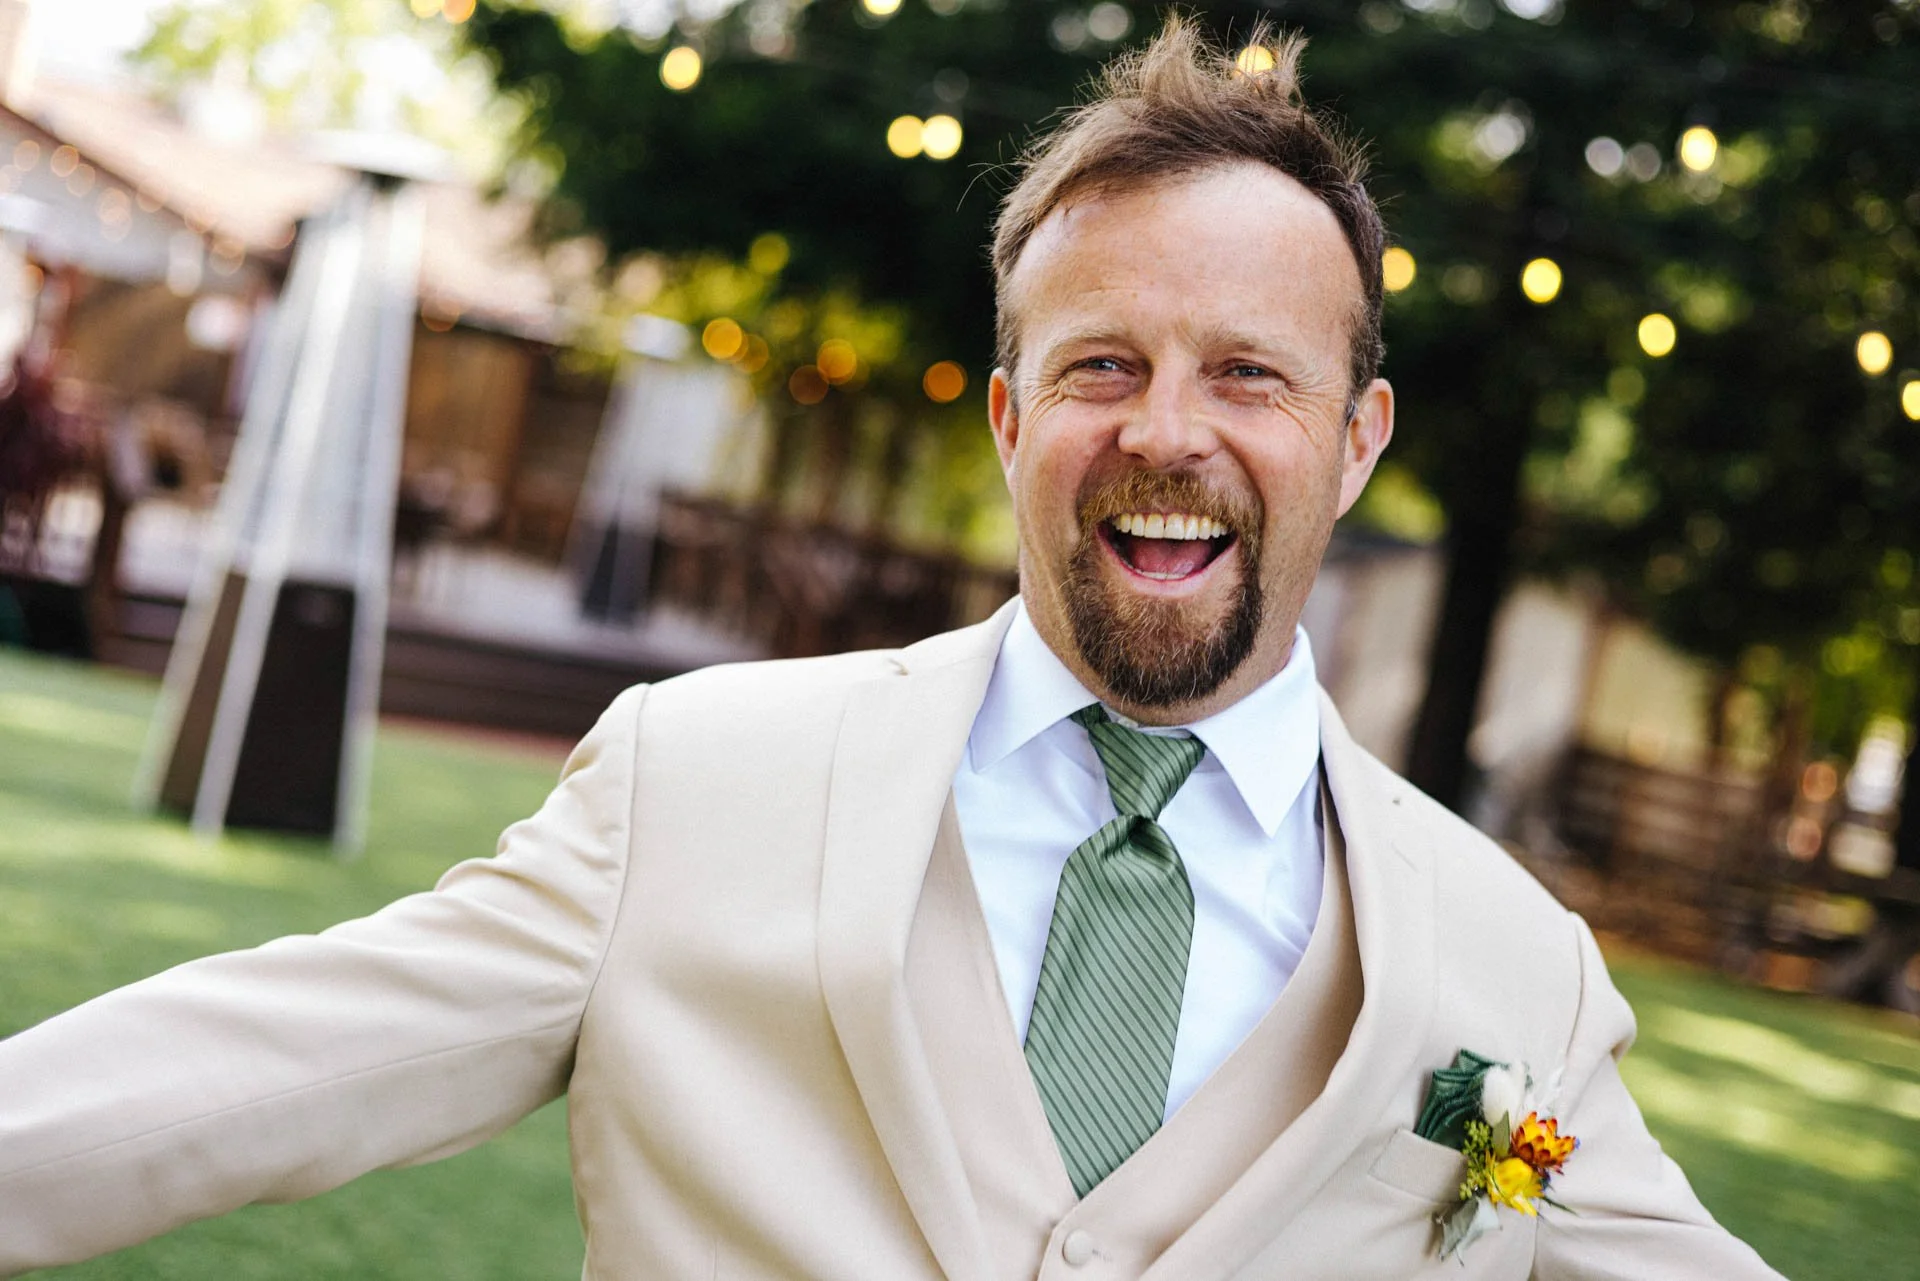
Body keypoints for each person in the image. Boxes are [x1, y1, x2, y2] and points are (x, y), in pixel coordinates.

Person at [0, 21, 1783, 1281]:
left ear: (1358, 439)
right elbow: (262, 1069)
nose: (1168, 431)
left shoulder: (1515, 970)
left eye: (1250, 374)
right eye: (1101, 366)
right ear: (1009, 419)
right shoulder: (699, 783)